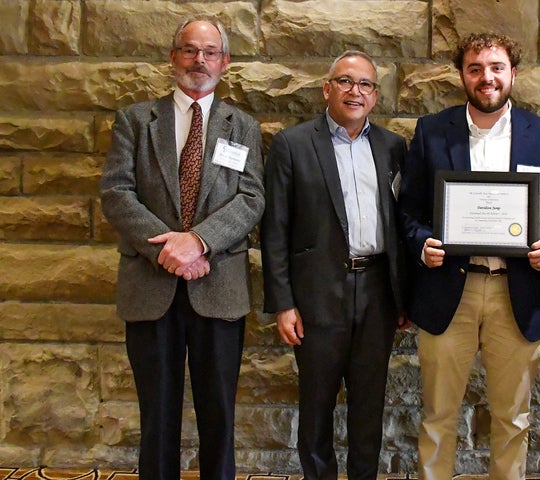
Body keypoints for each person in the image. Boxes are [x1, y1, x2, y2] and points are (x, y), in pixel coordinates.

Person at [398, 33, 540, 480]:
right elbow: (409, 211)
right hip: (448, 291)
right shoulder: (432, 131)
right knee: (438, 415)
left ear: (513, 73)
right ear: (462, 75)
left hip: (517, 293)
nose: (486, 77)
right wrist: (422, 243)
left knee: (513, 419)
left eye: (496, 67)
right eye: (475, 68)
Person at [99, 18, 264, 480]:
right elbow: (116, 193)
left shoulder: (243, 126)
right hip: (150, 286)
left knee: (220, 415)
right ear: (173, 57)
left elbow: (252, 198)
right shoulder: (135, 120)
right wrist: (167, 250)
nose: (199, 61)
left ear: (225, 62)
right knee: (156, 415)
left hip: (220, 285)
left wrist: (198, 242)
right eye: (190, 50)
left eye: (210, 52)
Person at [260, 50, 408, 480]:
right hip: (316, 297)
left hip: (378, 293)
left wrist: (404, 296)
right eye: (345, 81)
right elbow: (274, 230)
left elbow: (402, 226)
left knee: (369, 405)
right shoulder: (293, 144)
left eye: (365, 84)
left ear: (375, 95)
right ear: (327, 89)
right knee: (316, 405)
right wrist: (283, 303)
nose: (354, 91)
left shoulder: (393, 147)